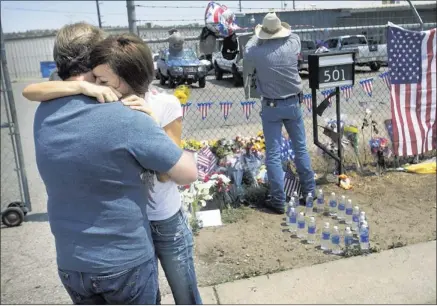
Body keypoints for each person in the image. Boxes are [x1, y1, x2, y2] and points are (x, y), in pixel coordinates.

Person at [24, 30, 202, 305]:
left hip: (75, 261)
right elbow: (187, 171)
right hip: (124, 258)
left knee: (186, 293)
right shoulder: (123, 114)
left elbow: (33, 91)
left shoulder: (45, 110)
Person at [243, 12, 316, 214]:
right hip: (293, 102)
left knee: (273, 154)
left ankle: (278, 199)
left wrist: (256, 33)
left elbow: (247, 48)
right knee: (300, 148)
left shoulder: (256, 52)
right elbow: (292, 33)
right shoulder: (293, 44)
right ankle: (310, 192)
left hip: (271, 106)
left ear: (264, 33)